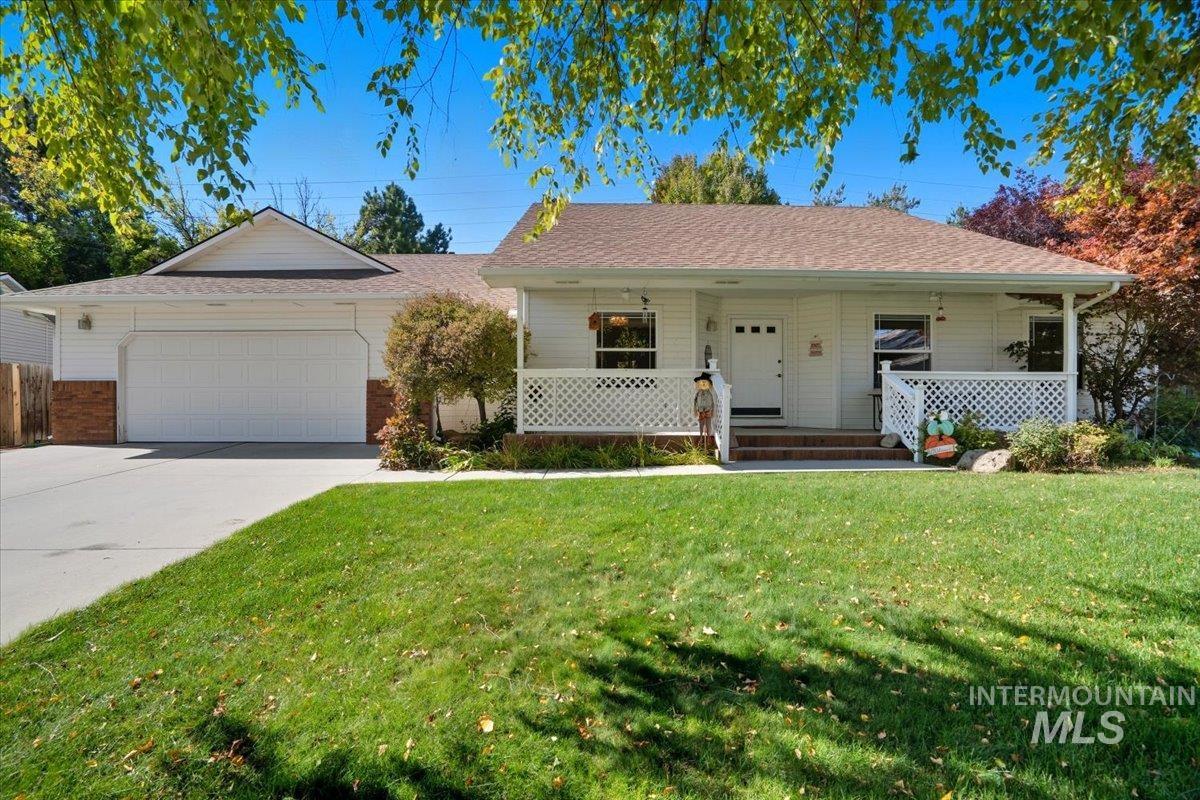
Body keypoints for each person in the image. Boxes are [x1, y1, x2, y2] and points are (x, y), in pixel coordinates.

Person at [693, 372, 715, 445]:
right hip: (700, 410)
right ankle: (701, 437)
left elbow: (712, 402)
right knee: (701, 425)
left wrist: (712, 410)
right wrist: (695, 410)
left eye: (705, 382)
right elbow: (695, 401)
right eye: (702, 382)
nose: (703, 384)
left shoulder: (709, 393)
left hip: (708, 410)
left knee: (708, 424)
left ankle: (708, 438)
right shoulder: (698, 393)